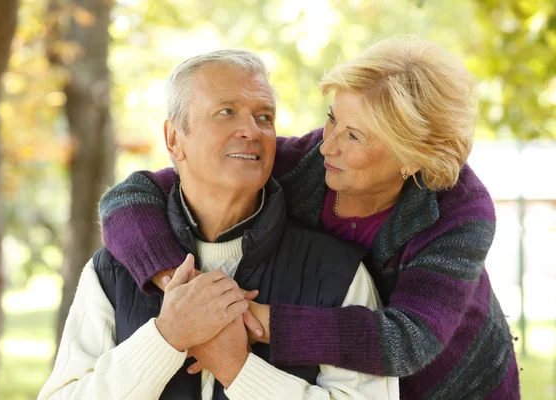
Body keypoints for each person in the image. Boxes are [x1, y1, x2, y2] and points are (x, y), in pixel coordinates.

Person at [98, 35, 521, 399]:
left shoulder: (458, 210)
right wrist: (183, 289)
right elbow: (129, 197)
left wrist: (245, 321)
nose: (327, 147)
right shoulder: (301, 164)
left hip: (454, 383)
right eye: (332, 120)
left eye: (353, 136)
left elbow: (408, 339)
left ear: (410, 157)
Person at [39, 49, 398, 400]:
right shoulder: (112, 271)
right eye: (226, 112)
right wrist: (166, 337)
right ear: (174, 138)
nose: (250, 130)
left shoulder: (336, 272)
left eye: (264, 117)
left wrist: (238, 370)